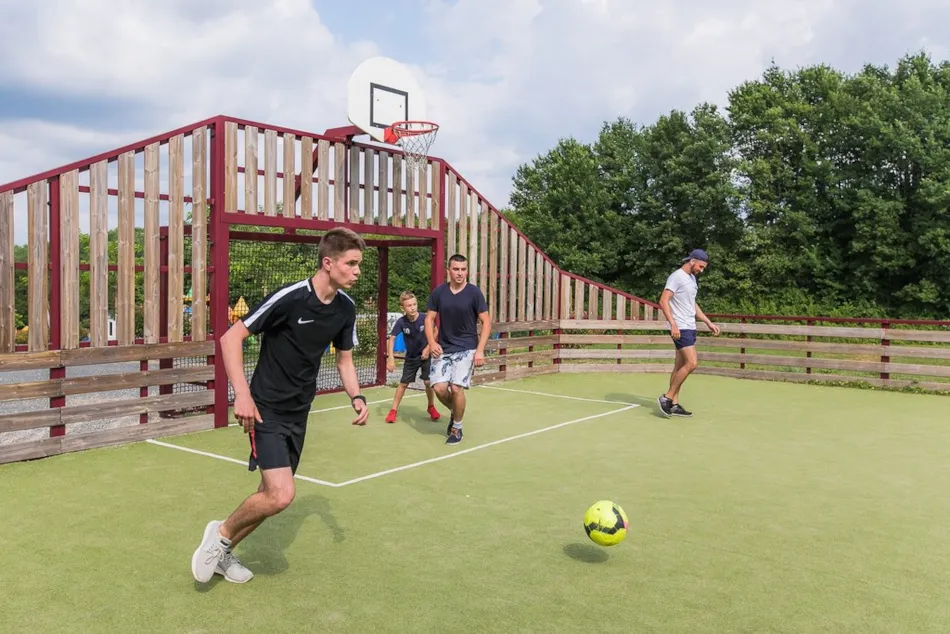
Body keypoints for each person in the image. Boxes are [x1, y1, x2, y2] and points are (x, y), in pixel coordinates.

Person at [190, 227, 370, 585]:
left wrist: (357, 396)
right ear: (328, 262)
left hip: (299, 413)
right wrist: (242, 394)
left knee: (269, 494)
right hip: (265, 409)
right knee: (282, 494)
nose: (357, 271)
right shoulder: (289, 297)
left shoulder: (345, 309)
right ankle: (220, 534)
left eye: (358, 265)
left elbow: (345, 361)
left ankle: (222, 552)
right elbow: (231, 338)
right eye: (351, 264)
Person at [424, 254, 491, 445]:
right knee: (438, 388)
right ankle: (456, 410)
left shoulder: (474, 293)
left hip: (466, 348)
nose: (460, 273)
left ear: (466, 271)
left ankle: (457, 428)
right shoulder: (439, 293)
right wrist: (431, 342)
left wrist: (480, 350)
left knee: (456, 387)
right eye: (456, 269)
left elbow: (486, 322)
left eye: (463, 269)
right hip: (443, 348)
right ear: (449, 270)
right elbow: (429, 319)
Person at [657, 248, 720, 418]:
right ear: (692, 261)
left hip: (690, 326)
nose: (701, 270)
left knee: (679, 366)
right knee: (692, 363)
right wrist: (673, 324)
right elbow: (663, 300)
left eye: (703, 267)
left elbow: (692, 304)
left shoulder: (692, 279)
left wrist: (707, 322)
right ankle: (667, 398)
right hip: (681, 327)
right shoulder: (676, 276)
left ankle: (674, 404)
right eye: (700, 266)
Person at [385, 290, 441, 424]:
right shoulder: (401, 322)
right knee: (403, 384)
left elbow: (435, 331)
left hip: (426, 357)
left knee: (428, 383)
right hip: (411, 358)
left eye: (414, 304)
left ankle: (431, 407)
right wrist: (390, 358)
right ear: (402, 308)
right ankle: (393, 411)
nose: (413, 307)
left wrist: (428, 348)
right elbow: (391, 339)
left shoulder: (424, 318)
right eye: (409, 305)